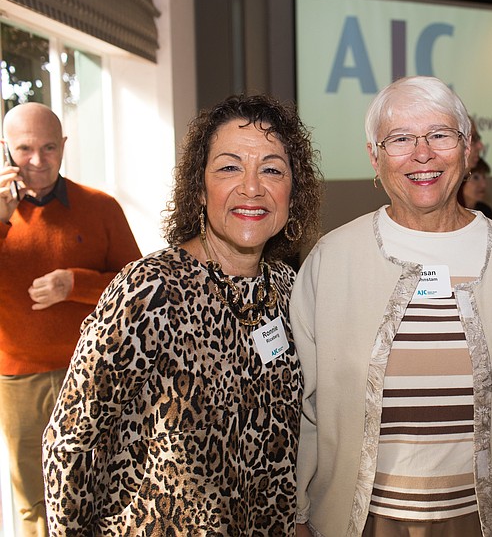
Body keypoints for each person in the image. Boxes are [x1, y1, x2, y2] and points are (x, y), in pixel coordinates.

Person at [42, 94, 322, 534]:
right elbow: (73, 439)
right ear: (198, 188)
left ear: (292, 193)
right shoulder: (149, 288)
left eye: (272, 169)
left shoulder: (290, 288)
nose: (252, 187)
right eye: (229, 167)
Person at [292, 76, 492, 537]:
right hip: (363, 522)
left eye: (440, 135)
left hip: (486, 521)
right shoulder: (332, 260)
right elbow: (303, 407)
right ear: (374, 156)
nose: (422, 154)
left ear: (467, 149)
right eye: (400, 139)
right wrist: (299, 513)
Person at [0, 102, 141, 536]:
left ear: (63, 147)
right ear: (5, 149)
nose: (37, 161)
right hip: (17, 376)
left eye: (48, 147)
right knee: (32, 499)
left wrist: (73, 284)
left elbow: (138, 287)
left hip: (89, 370)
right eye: (24, 149)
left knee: (96, 484)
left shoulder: (100, 207)